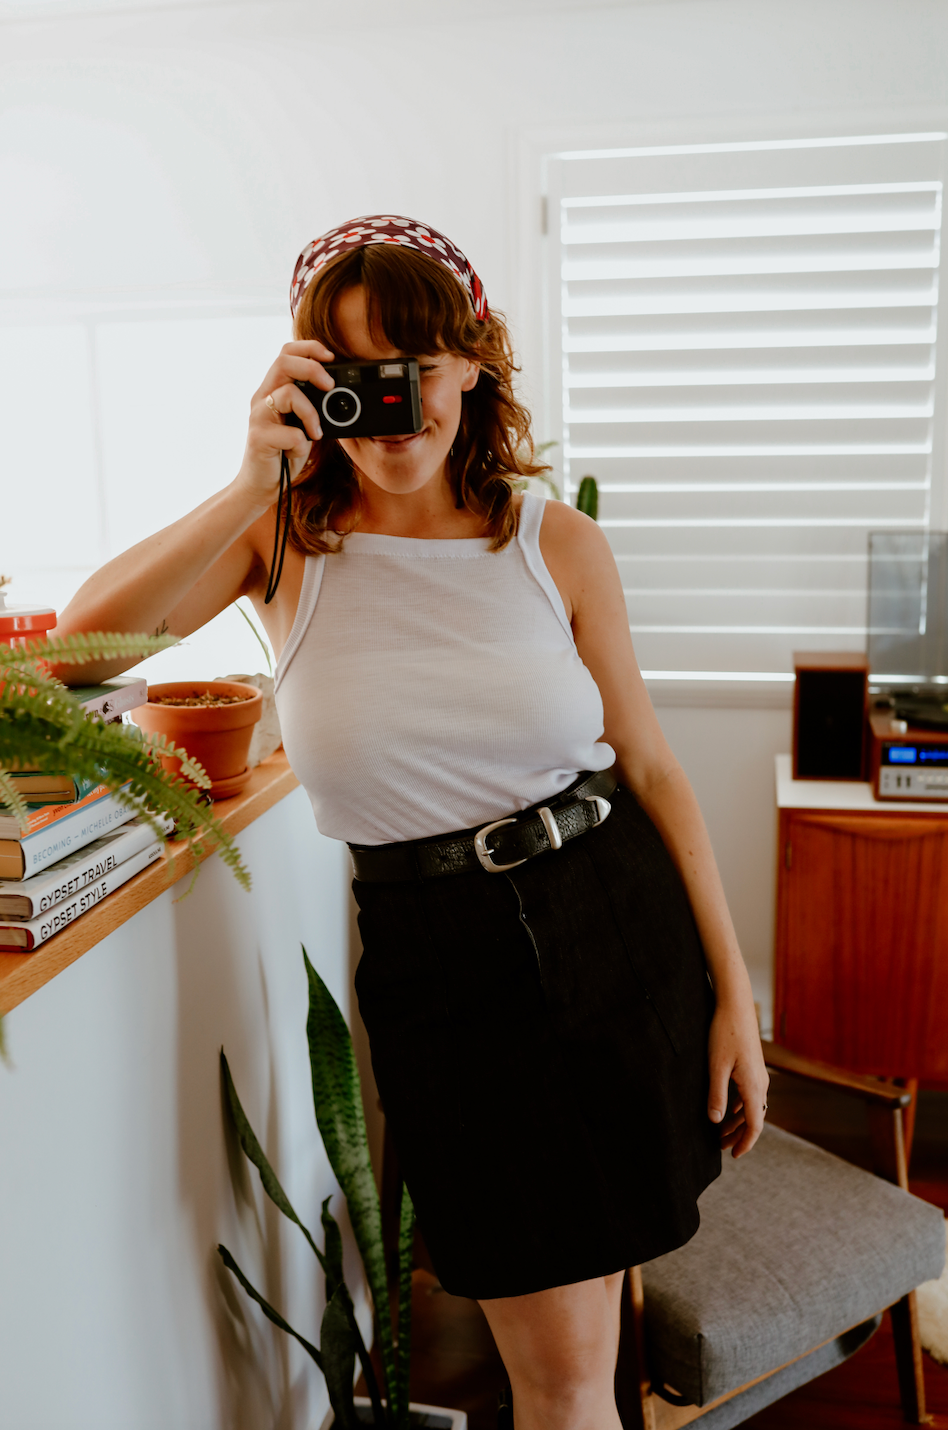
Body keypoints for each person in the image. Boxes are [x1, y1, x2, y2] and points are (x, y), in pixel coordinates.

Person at [55, 215, 769, 1430]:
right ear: (307, 383)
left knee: (590, 1347)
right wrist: (247, 479)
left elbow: (650, 764)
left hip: (616, 922)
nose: (393, 408)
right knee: (556, 1373)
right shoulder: (285, 542)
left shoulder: (558, 543)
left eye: (415, 368)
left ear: (474, 363)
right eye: (352, 376)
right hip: (447, 969)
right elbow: (78, 652)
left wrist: (737, 995)